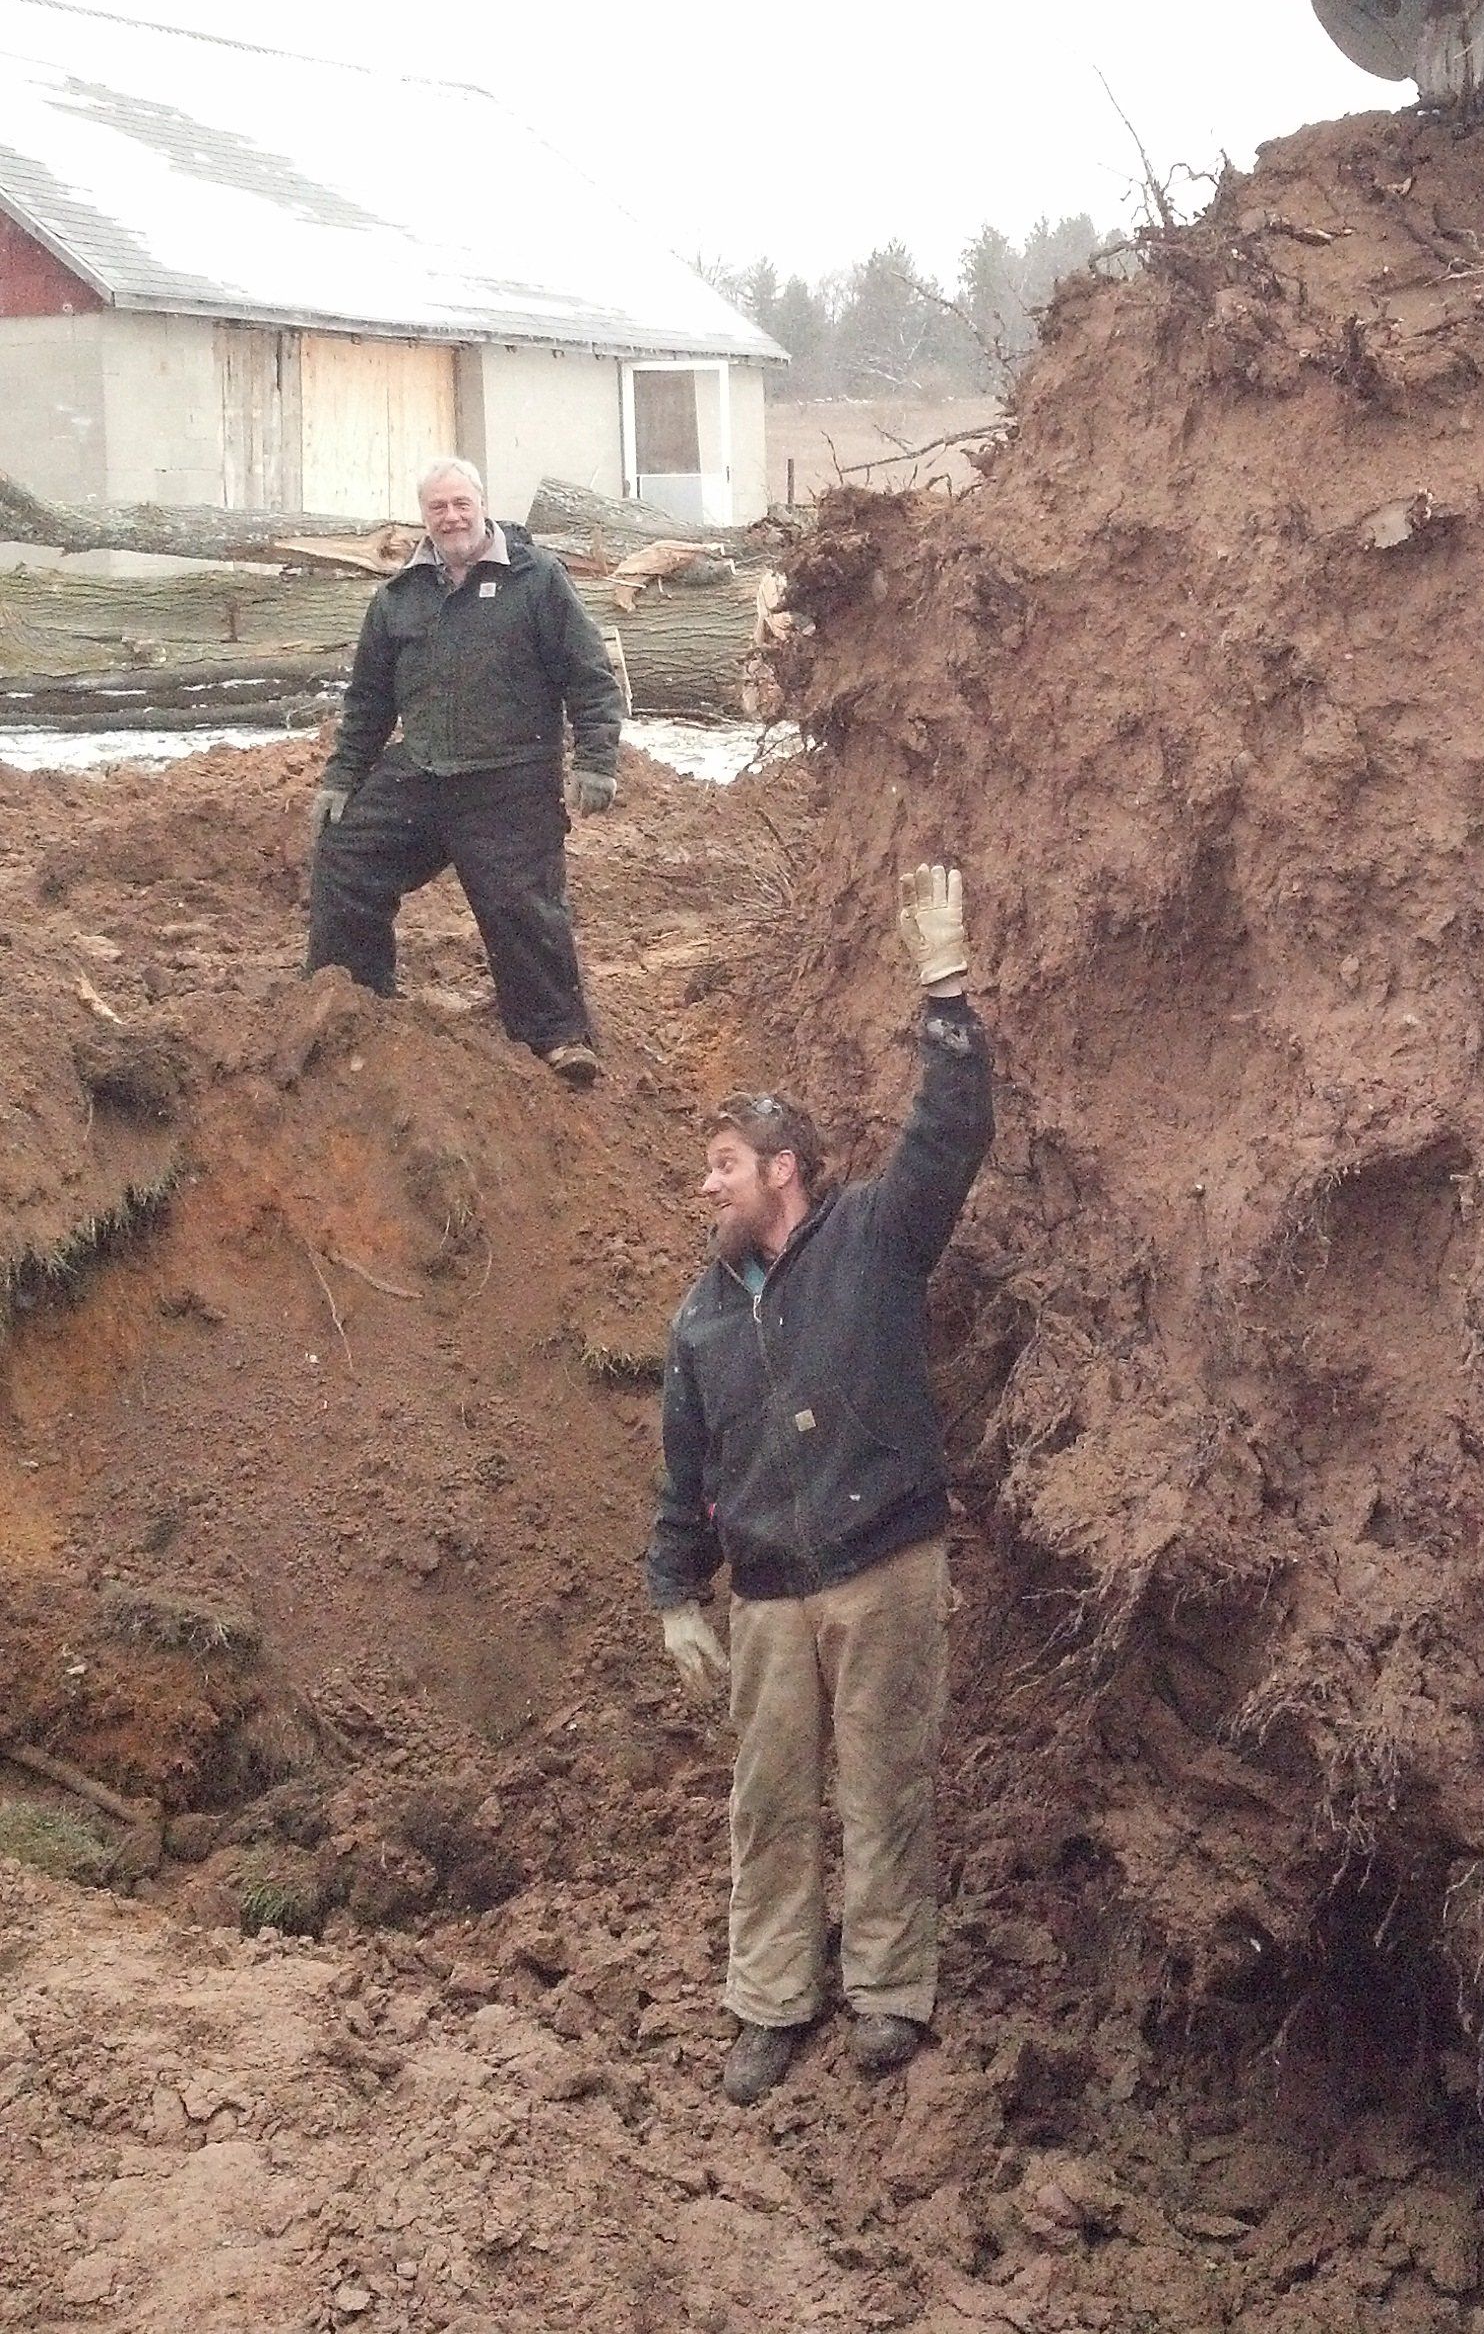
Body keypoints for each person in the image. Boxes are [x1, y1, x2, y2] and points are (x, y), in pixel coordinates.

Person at [645, 863, 994, 2106]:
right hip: (773, 1592)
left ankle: (891, 1992)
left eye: (725, 1162)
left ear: (784, 1169)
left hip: (885, 1564)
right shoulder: (697, 1320)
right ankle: (770, 2001)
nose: (709, 1184)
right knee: (768, 1802)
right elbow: (687, 1474)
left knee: (885, 1779)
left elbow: (949, 1131)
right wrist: (680, 1594)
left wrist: (943, 987)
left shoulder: (874, 1236)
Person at [305, 456, 621, 1082]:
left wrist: (595, 758)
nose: (450, 517)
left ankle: (556, 1037)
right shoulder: (399, 596)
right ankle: (355, 1002)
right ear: (423, 517)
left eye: (460, 504)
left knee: (520, 904)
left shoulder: (537, 581)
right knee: (345, 856)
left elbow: (588, 674)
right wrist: (343, 776)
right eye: (437, 508)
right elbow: (369, 700)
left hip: (511, 777)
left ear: (481, 506)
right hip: (422, 772)